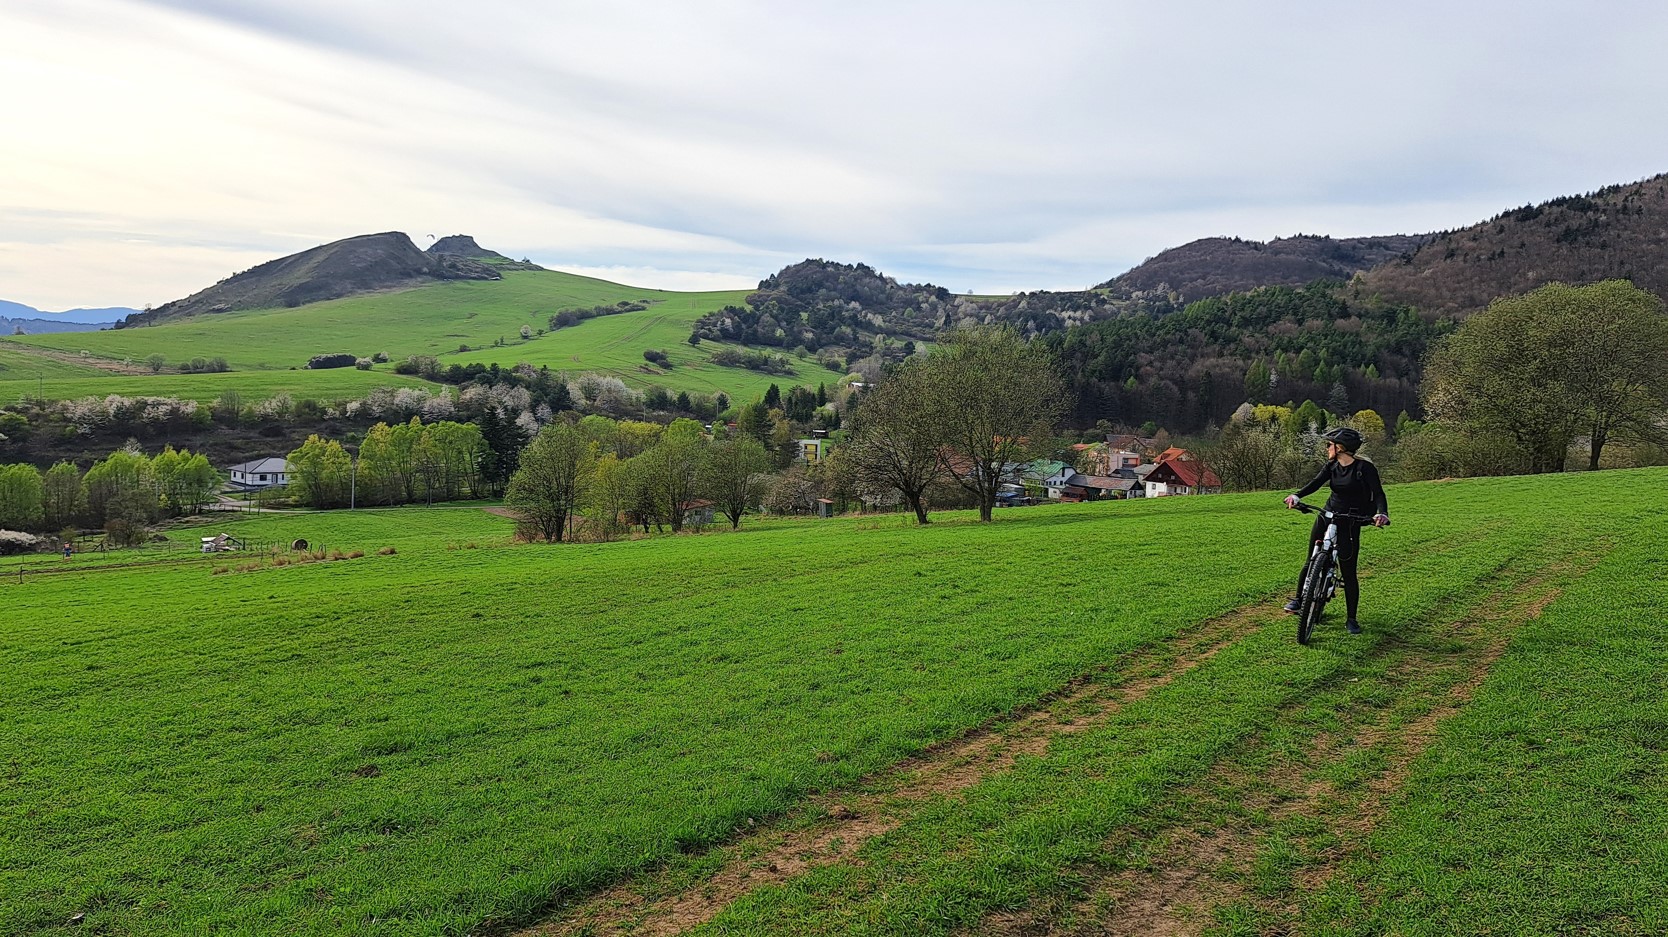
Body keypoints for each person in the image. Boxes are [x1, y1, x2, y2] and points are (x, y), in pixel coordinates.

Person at [1281, 426, 1389, 634]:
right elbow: (1315, 483)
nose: (1327, 448)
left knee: (1348, 572)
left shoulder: (1364, 468)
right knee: (1311, 559)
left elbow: (1379, 494)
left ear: (1340, 448)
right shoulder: (1331, 466)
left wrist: (1382, 514)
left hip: (1351, 519)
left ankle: (1351, 619)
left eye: (1329, 445)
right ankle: (1299, 599)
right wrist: (1297, 496)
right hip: (1329, 513)